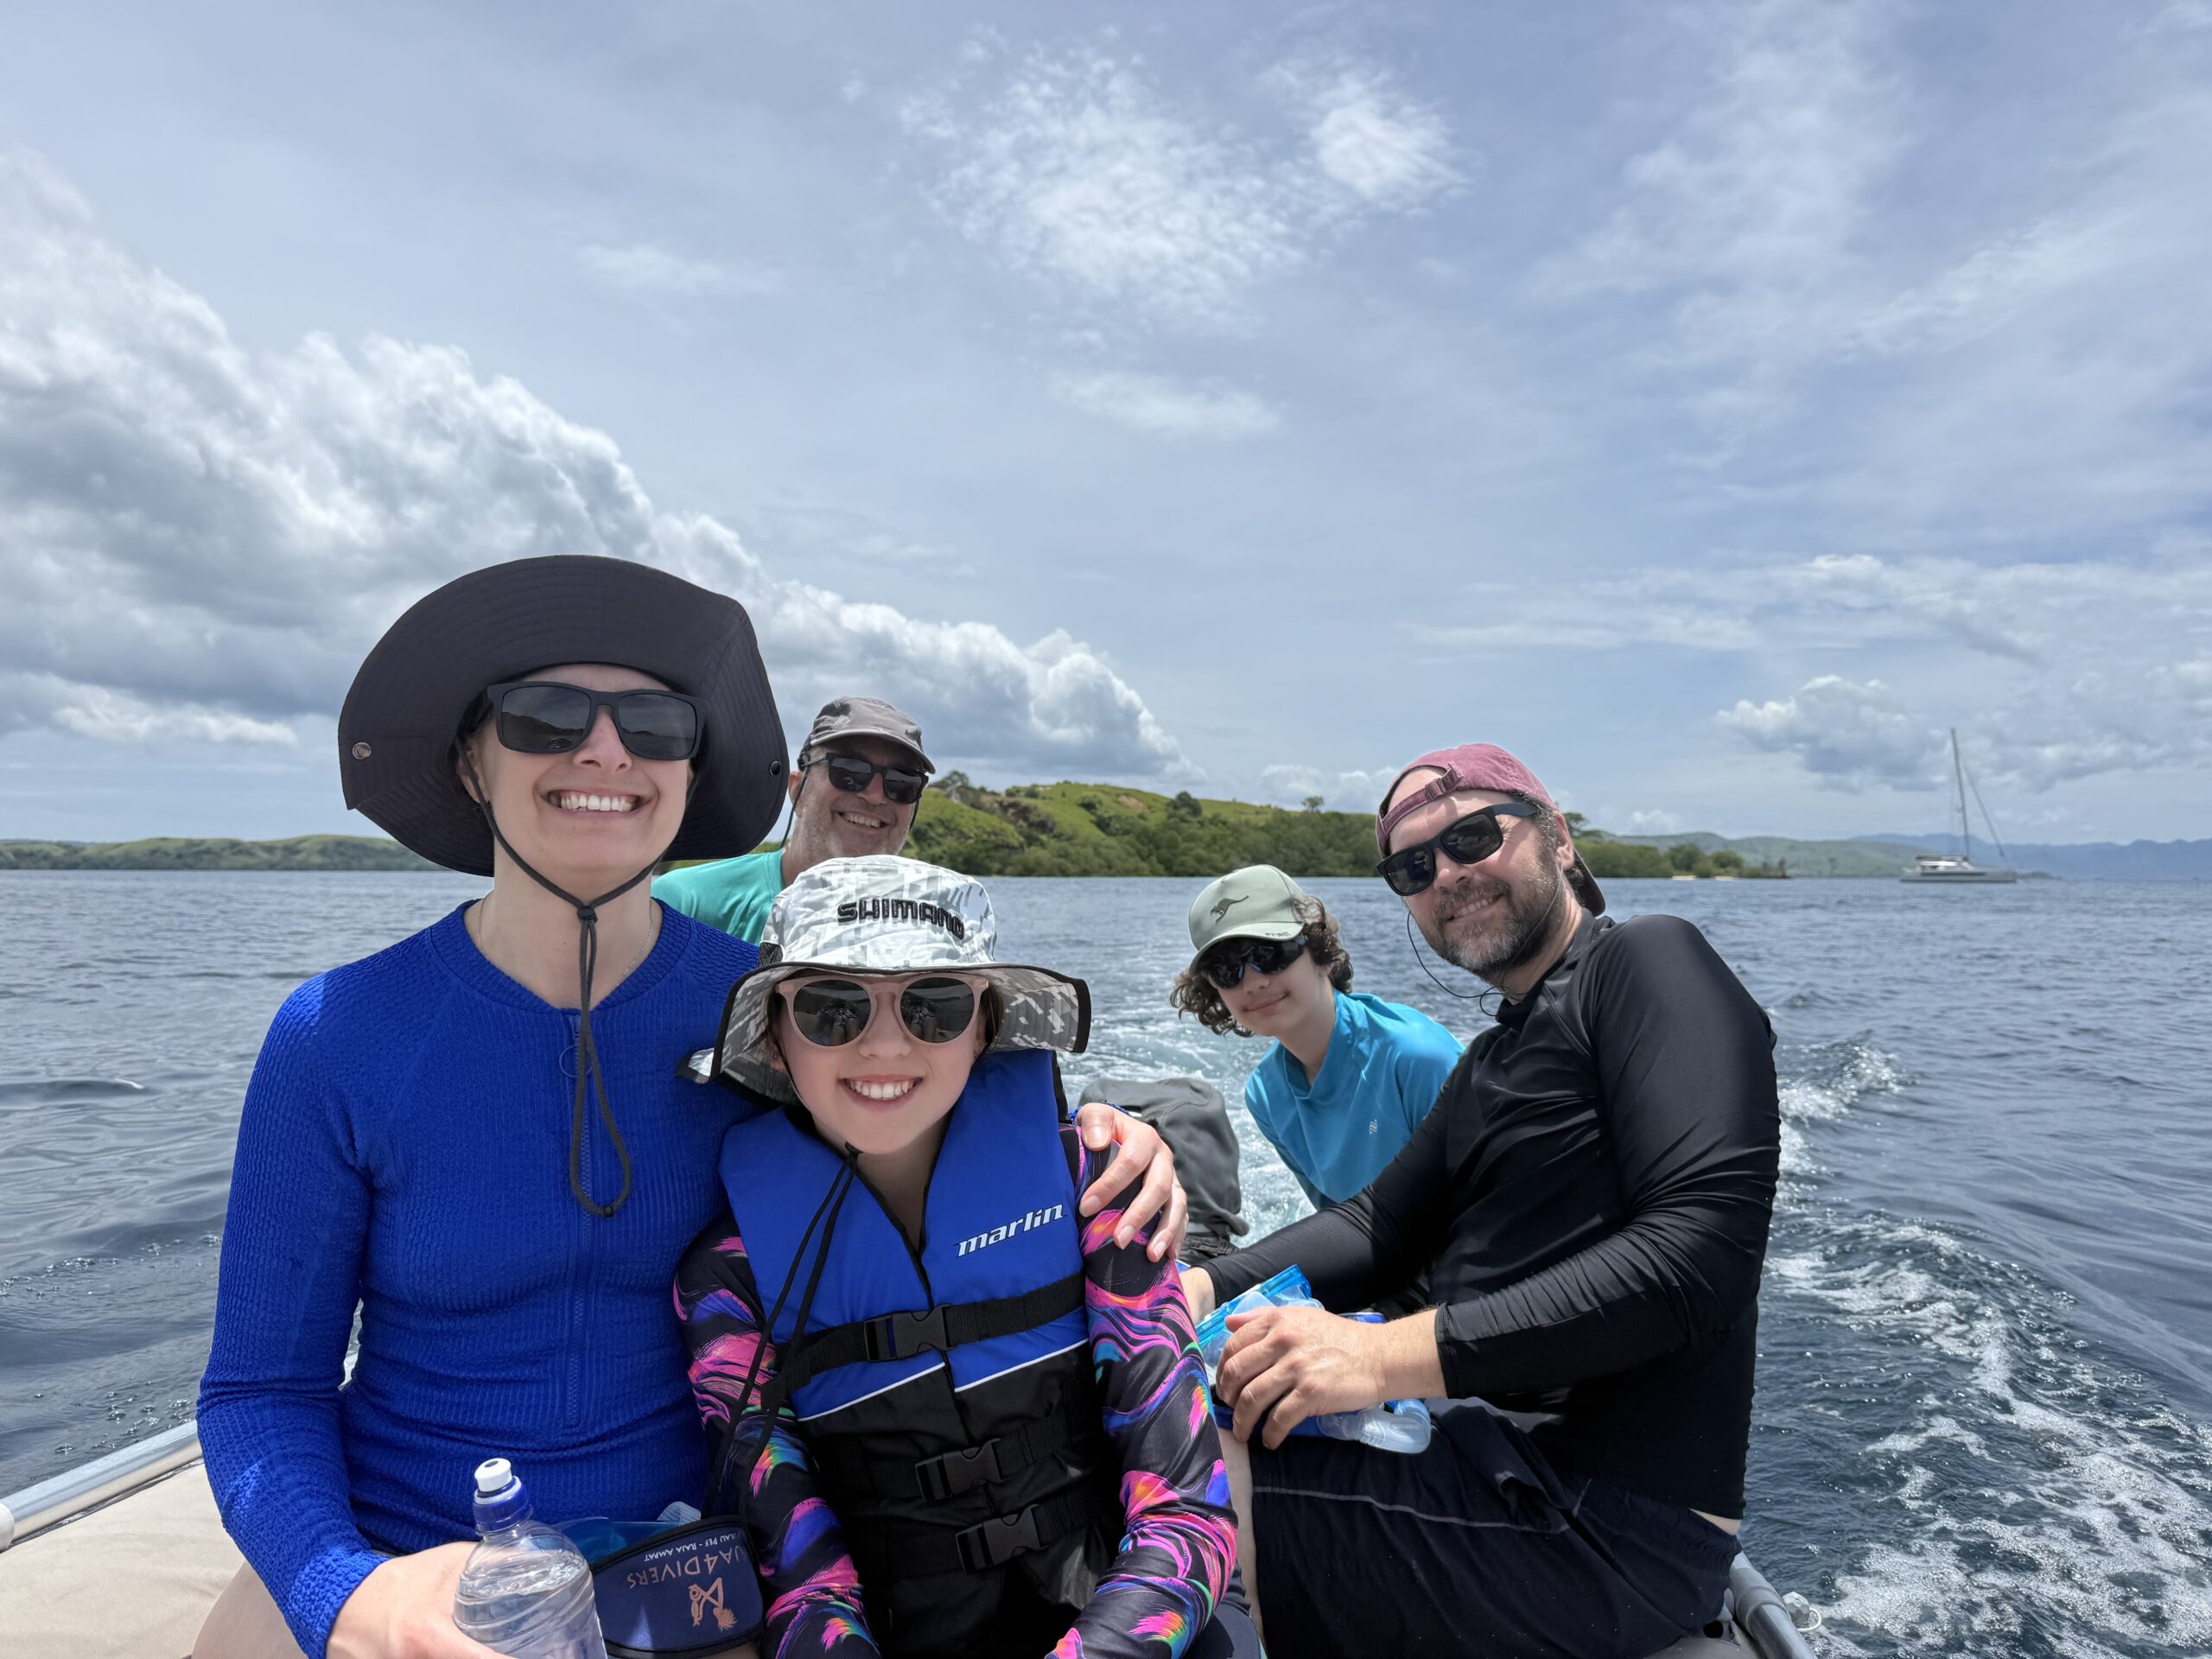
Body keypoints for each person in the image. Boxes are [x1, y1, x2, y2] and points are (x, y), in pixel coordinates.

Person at [191, 558, 1185, 1659]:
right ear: (471, 762)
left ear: (686, 769)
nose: (604, 752)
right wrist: (349, 1596)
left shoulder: (791, 1018)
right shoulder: (337, 1035)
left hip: (707, 1570)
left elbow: (942, 1109)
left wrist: (1121, 1142)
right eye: (544, 716)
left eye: (655, 726)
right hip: (405, 1556)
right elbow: (260, 1390)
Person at [1181, 744, 1780, 1659]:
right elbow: (1377, 1225)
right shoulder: (1494, 1058)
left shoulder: (1650, 961)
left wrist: (1374, 1357)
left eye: (1471, 838)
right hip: (1487, 1450)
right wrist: (1191, 1289)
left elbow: (1695, 1257)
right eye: (1413, 868)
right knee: (1172, 1407)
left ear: (1557, 838)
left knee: (1179, 1478)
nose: (1447, 876)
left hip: (1609, 1528)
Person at [677, 855, 1254, 1658]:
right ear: (774, 1038)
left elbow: (1188, 1513)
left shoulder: (1099, 1186)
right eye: (832, 1008)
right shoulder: (727, 1282)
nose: (885, 1045)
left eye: (935, 1005)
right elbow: (801, 1578)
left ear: (983, 1028)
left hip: (1140, 1617)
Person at [1170, 864, 1459, 1213]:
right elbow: (1336, 1219)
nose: (1253, 982)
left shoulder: (1417, 1057)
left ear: (1321, 954)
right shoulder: (1265, 1094)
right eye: (1226, 970)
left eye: (1269, 954)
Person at [654, 696, 931, 943]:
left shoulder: (935, 929)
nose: (875, 796)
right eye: (849, 771)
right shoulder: (686, 905)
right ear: (798, 790)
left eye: (902, 782)